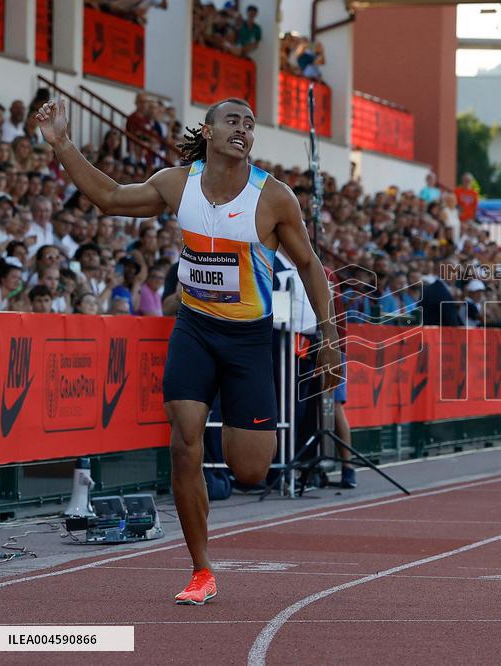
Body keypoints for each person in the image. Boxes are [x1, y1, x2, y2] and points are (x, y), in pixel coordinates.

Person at [36, 96, 341, 604]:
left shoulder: (273, 198)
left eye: (250, 122)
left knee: (250, 471)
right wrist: (63, 144)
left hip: (248, 340)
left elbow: (309, 266)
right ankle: (201, 570)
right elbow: (110, 198)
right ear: (209, 130)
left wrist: (331, 339)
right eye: (232, 121)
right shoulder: (179, 184)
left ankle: (229, 459)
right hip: (195, 329)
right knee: (184, 442)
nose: (243, 128)